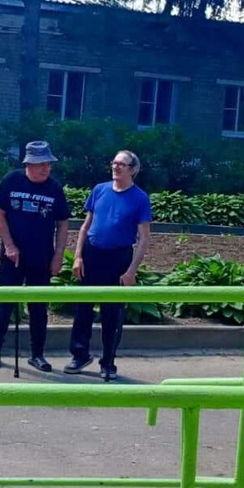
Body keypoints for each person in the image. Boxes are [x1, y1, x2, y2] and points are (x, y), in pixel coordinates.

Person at [65, 149, 152, 382]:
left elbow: (144, 238)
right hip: (92, 254)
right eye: (114, 162)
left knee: (112, 313)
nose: (116, 167)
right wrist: (78, 256)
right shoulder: (99, 190)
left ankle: (108, 361)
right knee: (83, 308)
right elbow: (85, 226)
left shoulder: (140, 198)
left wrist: (131, 271)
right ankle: (79, 354)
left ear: (133, 170)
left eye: (122, 164)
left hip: (118, 258)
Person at [0, 141, 70, 373]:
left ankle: (37, 354)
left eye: (48, 164)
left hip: (41, 257)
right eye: (41, 164)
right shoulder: (11, 180)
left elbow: (63, 223)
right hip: (12, 257)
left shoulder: (54, 188)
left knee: (38, 307)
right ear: (29, 164)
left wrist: (58, 255)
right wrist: (9, 245)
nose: (46, 169)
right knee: (4, 304)